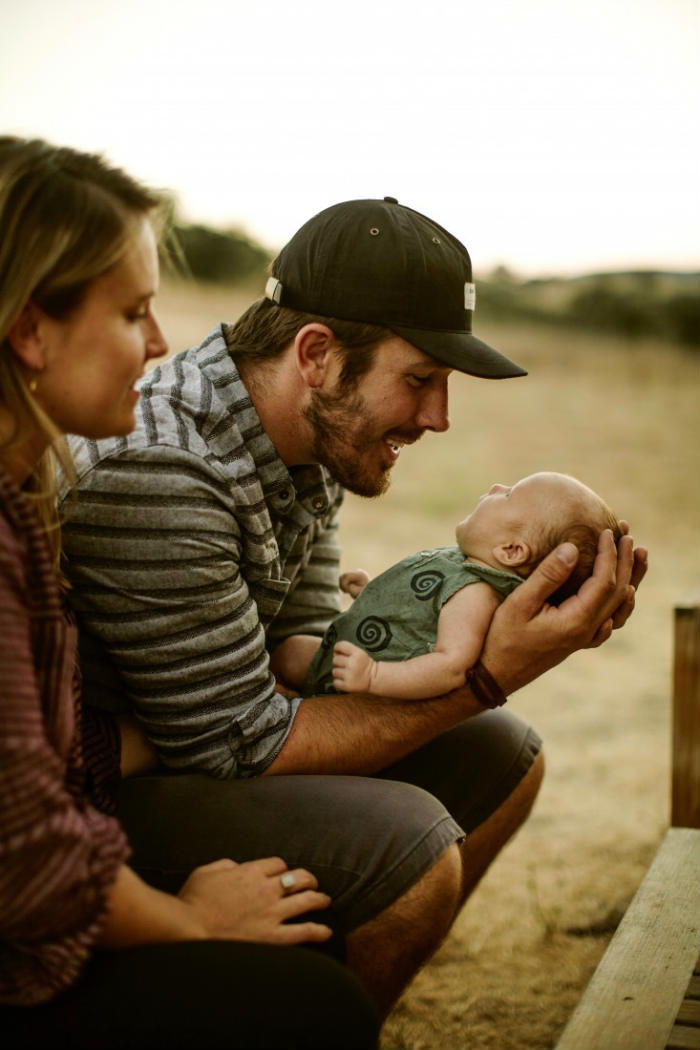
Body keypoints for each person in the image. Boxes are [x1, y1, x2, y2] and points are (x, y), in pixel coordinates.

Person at [59, 196, 647, 1016]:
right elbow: (243, 750)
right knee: (414, 848)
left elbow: (305, 645)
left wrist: (459, 634)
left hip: (199, 737)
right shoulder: (166, 470)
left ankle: (308, 1000)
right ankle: (292, 1017)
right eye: (421, 380)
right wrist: (483, 673)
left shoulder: (303, 438)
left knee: (505, 752)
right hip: (87, 792)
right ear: (316, 354)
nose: (439, 418)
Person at [0, 137, 380, 1049]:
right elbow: (29, 856)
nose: (163, 343)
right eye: (134, 310)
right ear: (29, 330)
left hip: (95, 806)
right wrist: (192, 921)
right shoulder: (136, 471)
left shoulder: (20, 504)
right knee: (315, 1006)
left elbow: (35, 758)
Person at [269, 471, 622, 699]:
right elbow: (418, 612)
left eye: (509, 495)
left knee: (288, 654)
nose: (496, 485)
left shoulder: (475, 595)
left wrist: (374, 675)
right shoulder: (462, 565)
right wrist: (373, 591)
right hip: (348, 655)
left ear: (511, 550)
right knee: (289, 652)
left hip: (360, 684)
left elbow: (449, 666)